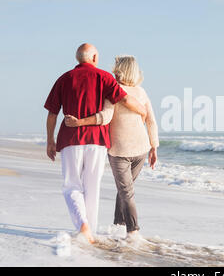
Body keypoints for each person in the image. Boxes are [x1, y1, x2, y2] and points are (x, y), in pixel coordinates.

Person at [44, 44, 147, 244]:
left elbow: (52, 114)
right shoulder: (105, 77)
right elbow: (125, 100)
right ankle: (89, 230)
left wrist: (50, 140)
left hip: (70, 140)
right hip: (98, 140)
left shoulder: (64, 78)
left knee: (72, 185)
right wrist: (142, 110)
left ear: (78, 58)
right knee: (93, 186)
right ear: (94, 57)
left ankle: (83, 226)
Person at [64, 55, 159, 242]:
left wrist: (79, 122)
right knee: (126, 189)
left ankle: (133, 232)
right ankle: (118, 226)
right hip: (141, 148)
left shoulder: (113, 91)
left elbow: (105, 117)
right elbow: (151, 121)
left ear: (120, 69)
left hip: (120, 151)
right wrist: (154, 147)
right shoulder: (141, 92)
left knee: (125, 190)